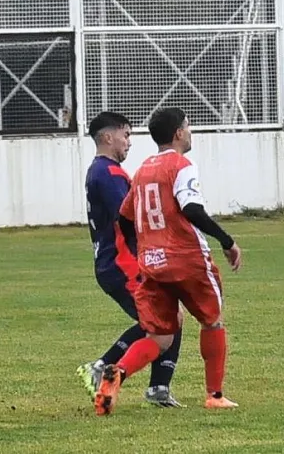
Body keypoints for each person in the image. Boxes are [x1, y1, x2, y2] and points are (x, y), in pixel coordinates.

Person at [93, 107, 243, 415]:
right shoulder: (182, 165)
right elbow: (192, 209)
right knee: (212, 321)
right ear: (178, 133)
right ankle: (215, 395)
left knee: (160, 336)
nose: (189, 133)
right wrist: (227, 241)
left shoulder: (143, 170)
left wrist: (145, 248)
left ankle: (117, 373)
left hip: (152, 262)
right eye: (188, 128)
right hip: (187, 259)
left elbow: (123, 218)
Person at [76, 111, 183, 408]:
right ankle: (104, 367)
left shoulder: (101, 171)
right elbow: (131, 218)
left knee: (168, 318)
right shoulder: (108, 174)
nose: (129, 143)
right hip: (124, 264)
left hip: (118, 263)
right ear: (108, 137)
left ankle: (158, 387)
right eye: (126, 135)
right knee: (162, 321)